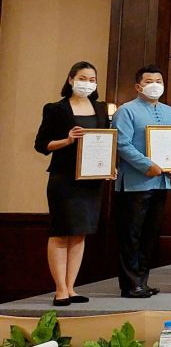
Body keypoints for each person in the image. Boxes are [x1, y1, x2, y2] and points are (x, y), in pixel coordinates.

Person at [34, 61, 110, 305]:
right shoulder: (56, 109)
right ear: (70, 79)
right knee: (61, 232)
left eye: (92, 79)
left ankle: (72, 287)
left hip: (91, 180)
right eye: (82, 78)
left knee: (79, 234)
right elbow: (42, 145)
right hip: (64, 179)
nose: (87, 83)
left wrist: (110, 166)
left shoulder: (100, 109)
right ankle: (59, 290)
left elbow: (106, 141)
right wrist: (67, 140)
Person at [112, 65, 171, 298]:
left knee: (150, 234)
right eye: (149, 81)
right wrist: (146, 165)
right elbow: (121, 144)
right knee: (132, 235)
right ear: (138, 86)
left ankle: (143, 280)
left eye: (159, 80)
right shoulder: (126, 111)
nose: (155, 85)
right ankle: (130, 284)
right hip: (133, 183)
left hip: (161, 182)